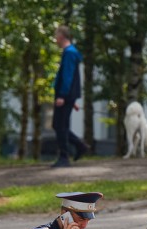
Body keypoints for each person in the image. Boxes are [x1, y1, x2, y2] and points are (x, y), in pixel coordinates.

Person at [51, 25, 88, 168]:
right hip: (67, 96)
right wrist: (70, 99)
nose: (55, 39)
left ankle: (65, 156)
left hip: (64, 95)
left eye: (56, 35)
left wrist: (63, 95)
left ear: (61, 36)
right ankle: (79, 146)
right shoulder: (70, 52)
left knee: (60, 125)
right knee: (61, 125)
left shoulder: (69, 53)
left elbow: (67, 76)